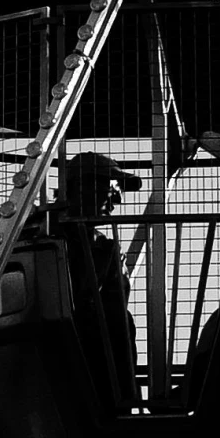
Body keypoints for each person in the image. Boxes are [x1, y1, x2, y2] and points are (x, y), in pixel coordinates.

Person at [56, 152, 142, 403]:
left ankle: (121, 402)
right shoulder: (35, 234)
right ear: (83, 186)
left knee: (121, 321)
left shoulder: (106, 250)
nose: (118, 200)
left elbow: (115, 304)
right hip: (54, 351)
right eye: (112, 187)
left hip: (88, 360)